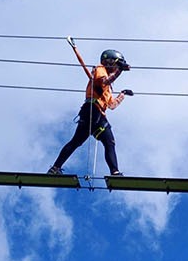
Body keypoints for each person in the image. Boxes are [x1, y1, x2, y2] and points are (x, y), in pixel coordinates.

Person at [49, 43, 133, 176]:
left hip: (100, 114)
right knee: (76, 141)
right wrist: (120, 71)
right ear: (109, 61)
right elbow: (104, 81)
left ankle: (115, 172)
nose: (116, 68)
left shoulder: (109, 88)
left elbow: (111, 105)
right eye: (116, 65)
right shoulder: (100, 69)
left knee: (109, 142)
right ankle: (55, 168)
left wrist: (122, 94)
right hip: (91, 109)